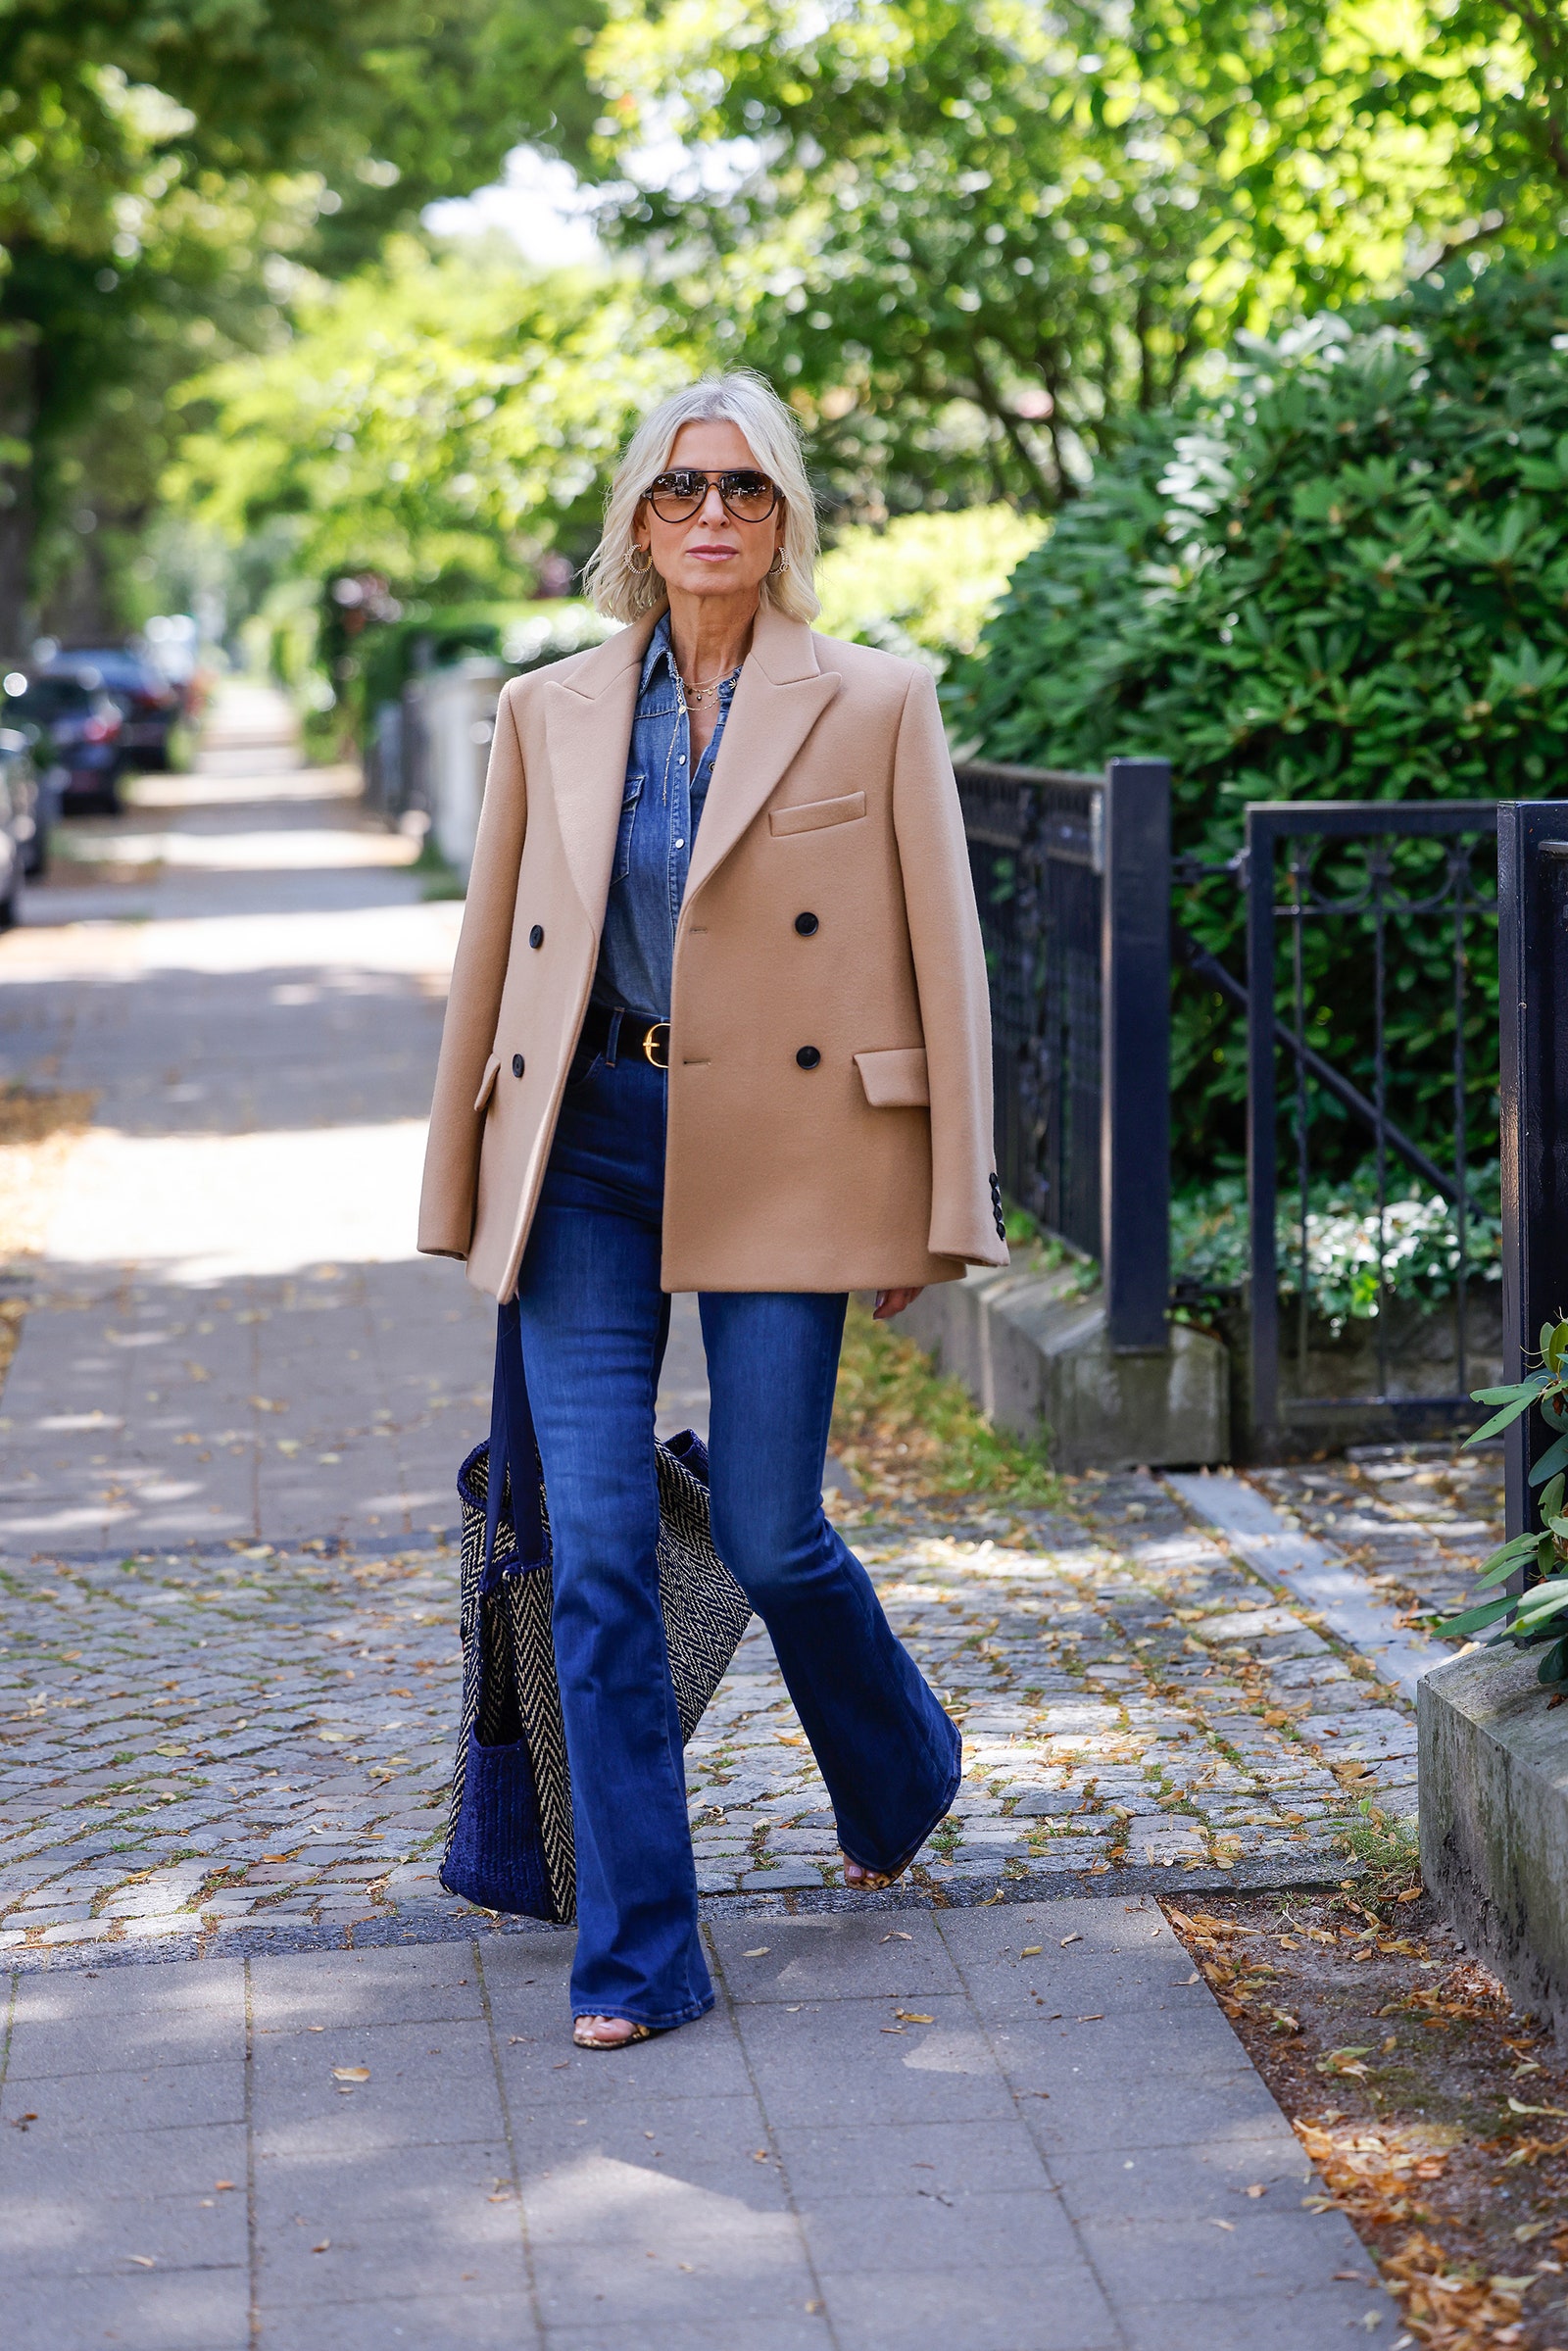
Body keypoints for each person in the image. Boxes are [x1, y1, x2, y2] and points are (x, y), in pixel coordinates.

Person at [418, 368, 1008, 2048]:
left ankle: (897, 1765)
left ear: (786, 517)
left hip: (787, 1151)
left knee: (766, 1531)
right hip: (590, 1144)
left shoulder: (879, 703)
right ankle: (642, 1953)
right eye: (682, 490)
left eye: (746, 490)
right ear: (637, 520)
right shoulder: (546, 710)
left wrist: (933, 1204)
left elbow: (941, 958)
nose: (712, 517)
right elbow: (494, 960)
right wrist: (463, 1169)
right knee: (598, 1552)